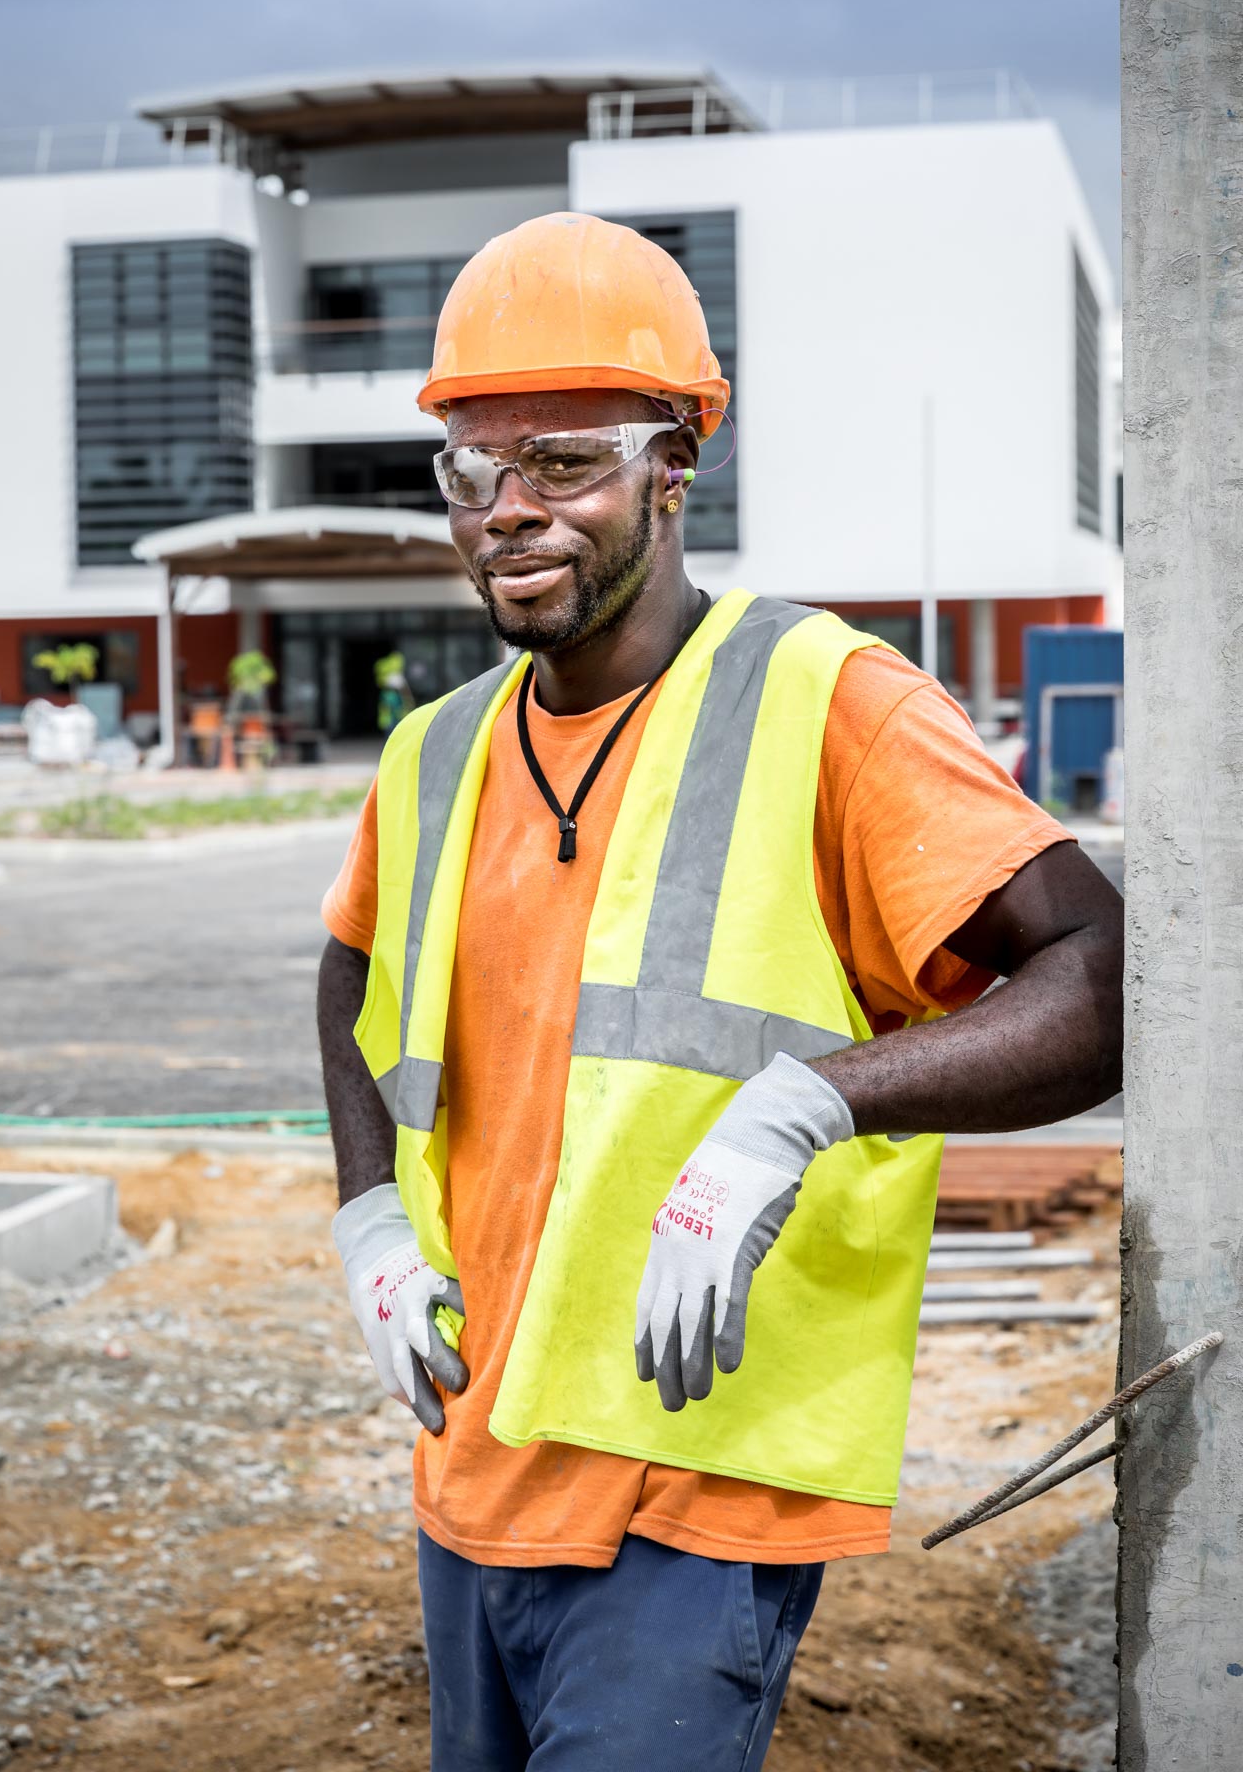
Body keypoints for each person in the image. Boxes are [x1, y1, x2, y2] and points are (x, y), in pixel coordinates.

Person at [317, 212, 1123, 1771]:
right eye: (472, 471)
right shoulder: (435, 751)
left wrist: (806, 1105)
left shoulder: (831, 703)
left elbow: (1096, 977)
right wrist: (365, 1217)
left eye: (565, 461)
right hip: (471, 1475)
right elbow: (349, 979)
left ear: (677, 465)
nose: (508, 512)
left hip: (688, 1497)